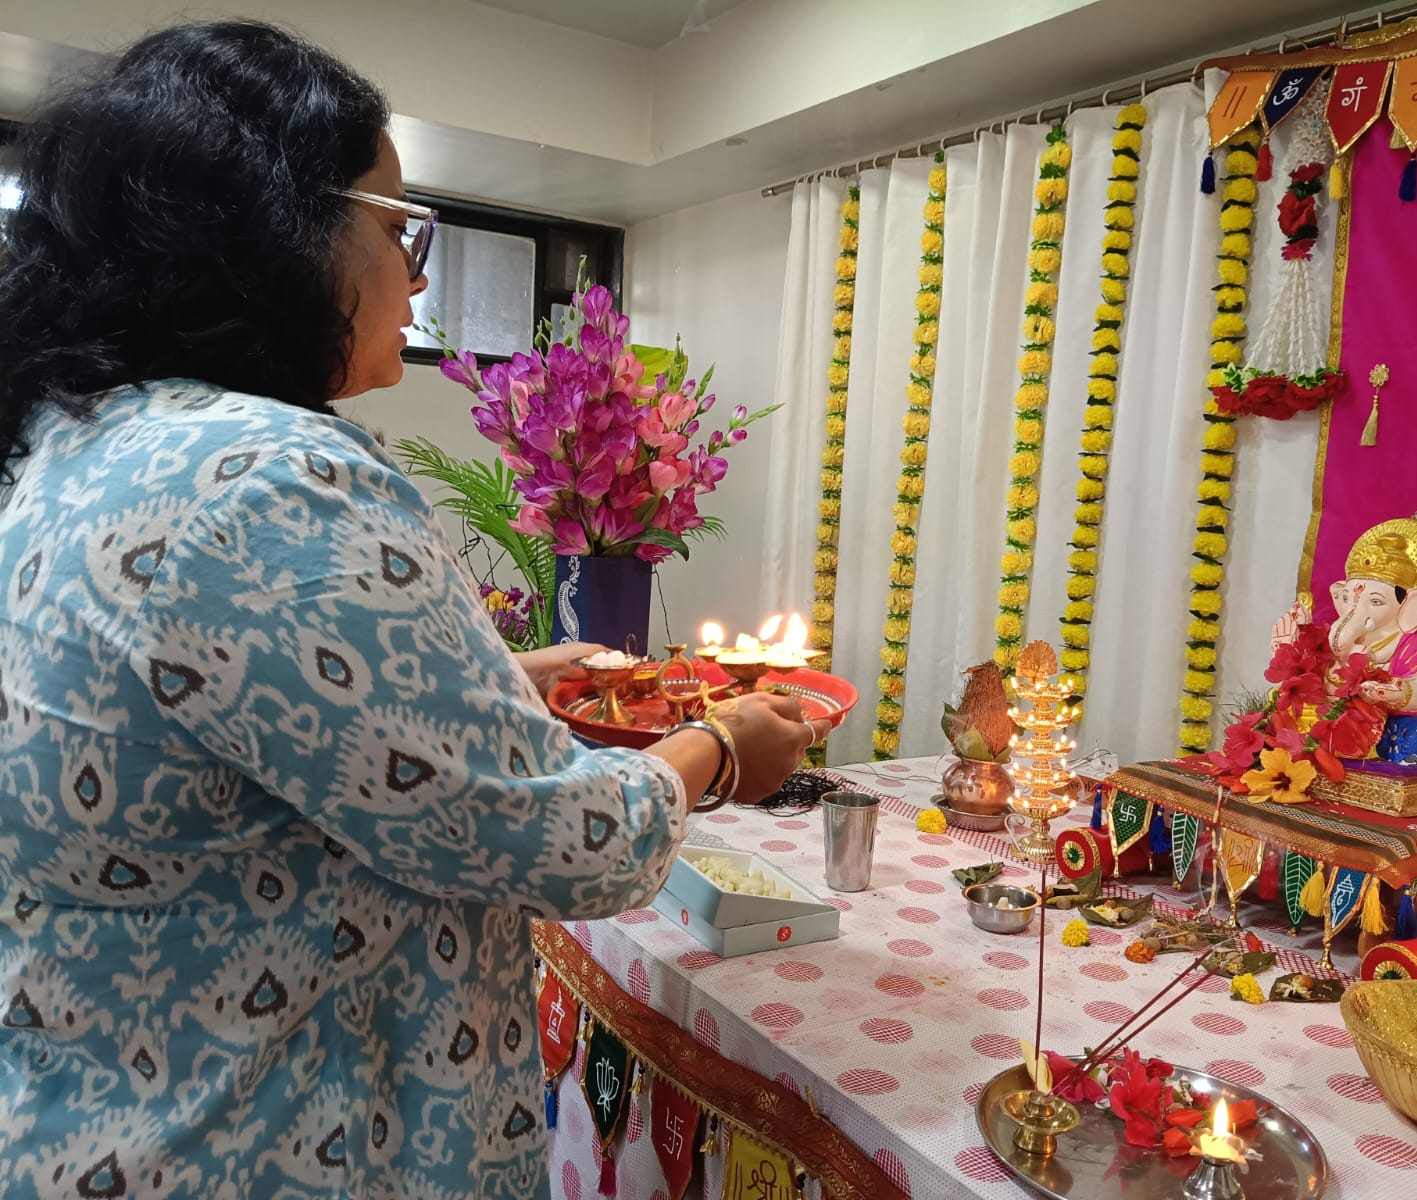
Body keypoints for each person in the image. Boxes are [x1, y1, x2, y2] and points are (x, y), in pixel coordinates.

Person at [0, 21, 817, 1199]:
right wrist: (719, 750)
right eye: (396, 229)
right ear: (278, 230)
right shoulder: (274, 479)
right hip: (268, 1145)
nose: (419, 275)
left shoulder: (85, 441)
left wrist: (489, 679)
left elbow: (223, 712)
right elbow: (562, 846)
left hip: (103, 1107)